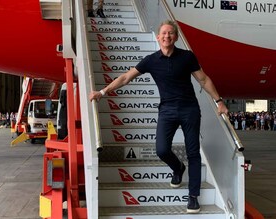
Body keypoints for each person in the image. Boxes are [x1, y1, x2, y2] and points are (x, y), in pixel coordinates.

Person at [89, 20, 228, 213]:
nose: (166, 36)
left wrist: (219, 101)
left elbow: (203, 79)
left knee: (193, 153)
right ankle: (178, 168)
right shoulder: (151, 60)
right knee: (162, 149)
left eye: (170, 33)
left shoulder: (187, 57)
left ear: (176, 37)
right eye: (163, 33)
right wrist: (102, 93)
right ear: (158, 37)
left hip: (189, 109)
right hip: (167, 111)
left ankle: (193, 196)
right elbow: (125, 78)